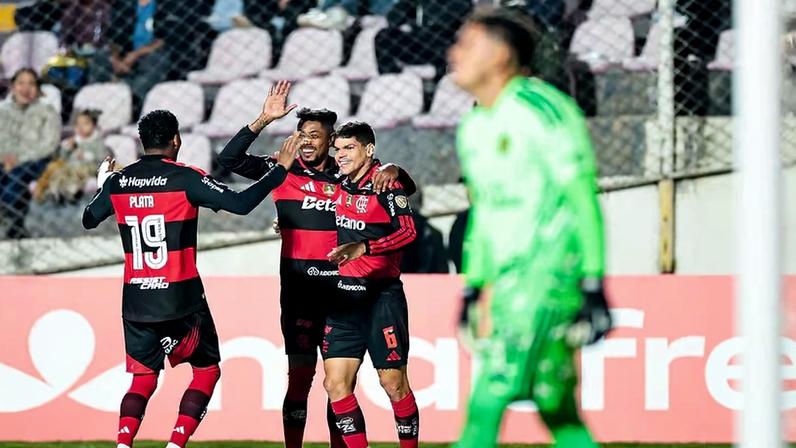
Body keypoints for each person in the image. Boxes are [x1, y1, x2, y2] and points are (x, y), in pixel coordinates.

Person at [82, 109, 299, 448]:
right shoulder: (186, 178)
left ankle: (123, 444)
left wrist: (103, 186)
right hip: (180, 299)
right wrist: (280, 171)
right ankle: (175, 444)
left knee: (142, 379)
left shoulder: (118, 182)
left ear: (141, 141)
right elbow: (241, 204)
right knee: (207, 370)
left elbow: (88, 218)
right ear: (176, 139)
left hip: (136, 302)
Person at [216, 81, 415, 448]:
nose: (306, 141)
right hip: (300, 292)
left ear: (331, 141)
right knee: (301, 378)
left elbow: (389, 187)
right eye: (301, 134)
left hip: (343, 291)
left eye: (315, 136)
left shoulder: (346, 174)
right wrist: (263, 119)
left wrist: (394, 167)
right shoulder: (282, 168)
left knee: (339, 383)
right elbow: (227, 160)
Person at [448, 8, 612, 448]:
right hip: (507, 282)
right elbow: (484, 215)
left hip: (549, 275)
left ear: (500, 55)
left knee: (489, 393)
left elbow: (582, 197)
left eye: (467, 44)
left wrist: (593, 278)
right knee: (555, 404)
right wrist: (473, 285)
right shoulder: (474, 126)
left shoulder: (544, 111)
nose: (454, 53)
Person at [323, 121, 419, 448]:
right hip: (343, 298)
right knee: (335, 385)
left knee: (393, 384)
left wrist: (363, 247)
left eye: (349, 148)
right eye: (338, 149)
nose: (341, 155)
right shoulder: (338, 180)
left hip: (381, 297)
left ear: (369, 150)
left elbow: (408, 232)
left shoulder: (386, 184)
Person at [0, 68, 62, 239]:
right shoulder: (2, 111)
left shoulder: (47, 111)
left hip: (36, 160)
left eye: (31, 84)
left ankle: (10, 219)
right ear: (12, 87)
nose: (26, 88)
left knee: (17, 175)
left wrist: (19, 159)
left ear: (38, 89)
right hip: (4, 159)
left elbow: (49, 144)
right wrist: (5, 158)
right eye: (21, 83)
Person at [90, 0, 170, 112]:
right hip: (124, 54)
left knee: (156, 61)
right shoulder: (124, 4)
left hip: (149, 54)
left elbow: (164, 40)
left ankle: (133, 103)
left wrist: (135, 55)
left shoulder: (164, 5)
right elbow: (114, 37)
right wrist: (115, 59)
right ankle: (96, 102)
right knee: (100, 56)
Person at [374, 0, 472, 81]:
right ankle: (392, 80)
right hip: (420, 43)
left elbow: (442, 22)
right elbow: (392, 19)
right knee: (384, 37)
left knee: (449, 47)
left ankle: (439, 85)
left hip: (445, 44)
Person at [35, 109, 109, 203]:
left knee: (77, 175)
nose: (80, 127)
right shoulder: (73, 140)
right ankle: (54, 192)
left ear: (94, 126)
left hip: (88, 167)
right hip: (69, 167)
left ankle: (72, 192)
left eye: (85, 124)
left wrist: (86, 156)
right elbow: (62, 158)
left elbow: (102, 158)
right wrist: (67, 148)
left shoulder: (97, 142)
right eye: (77, 124)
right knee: (59, 173)